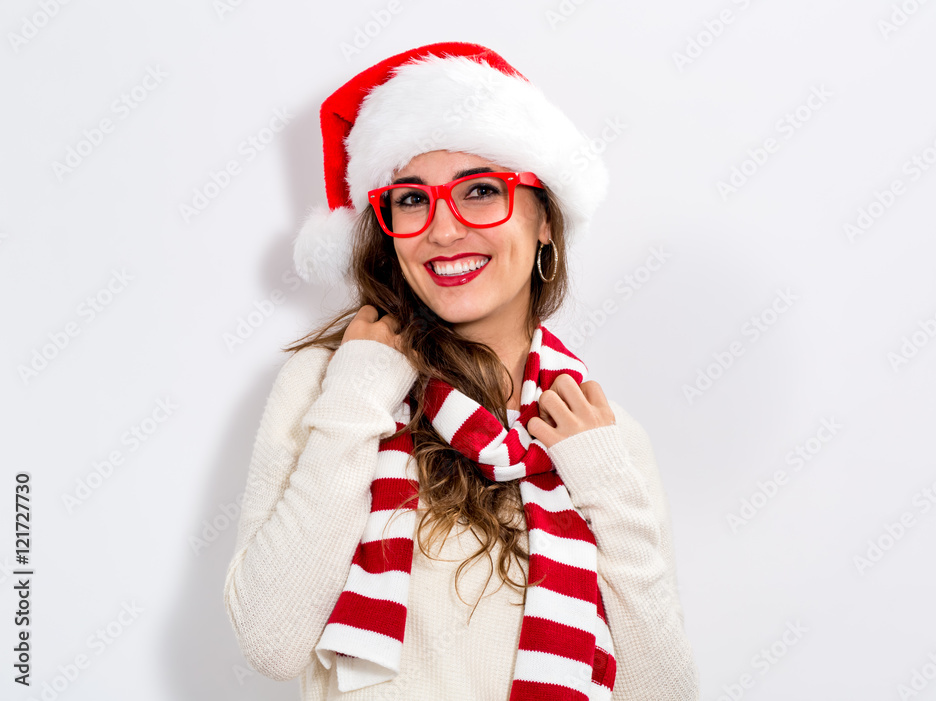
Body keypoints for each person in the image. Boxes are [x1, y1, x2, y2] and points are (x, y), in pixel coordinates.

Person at [223, 41, 699, 701]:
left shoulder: (602, 439)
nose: (443, 229)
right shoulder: (335, 387)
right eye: (412, 199)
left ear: (545, 224)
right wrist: (357, 397)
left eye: (480, 191)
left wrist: (607, 489)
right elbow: (271, 642)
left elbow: (664, 694)